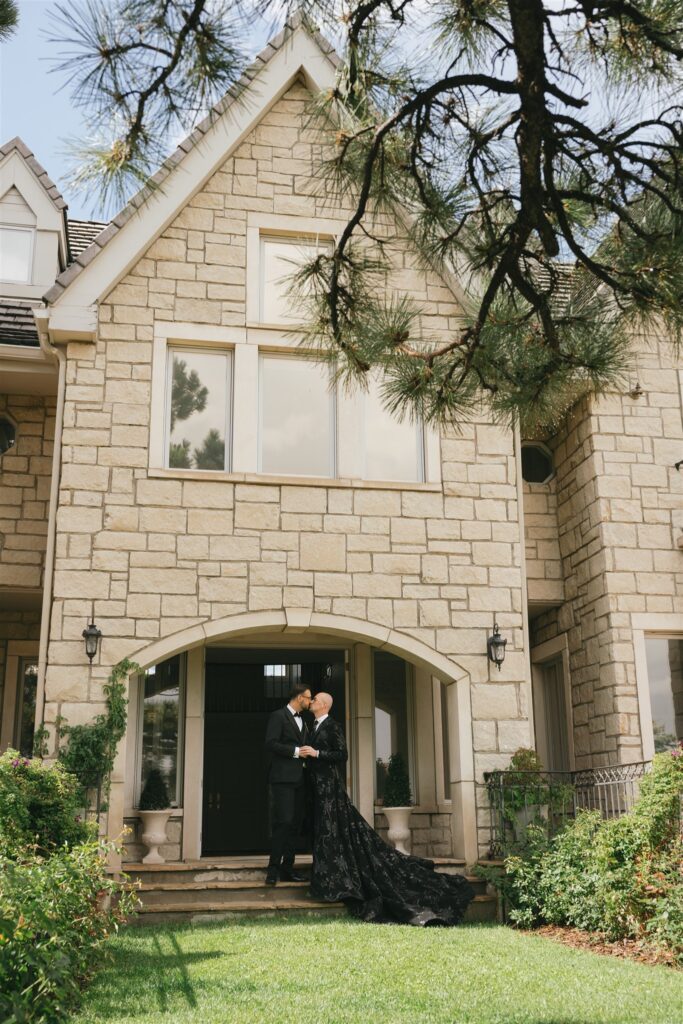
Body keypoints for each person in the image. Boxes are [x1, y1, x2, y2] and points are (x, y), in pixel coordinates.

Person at [299, 692, 474, 926]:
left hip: (330, 789)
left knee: (333, 832)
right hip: (317, 790)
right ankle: (326, 879)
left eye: (314, 700)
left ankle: (336, 883)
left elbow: (343, 754)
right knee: (326, 833)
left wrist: (317, 753)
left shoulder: (333, 726)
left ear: (323, 705)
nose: (311, 702)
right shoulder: (314, 725)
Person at [264, 682, 312, 886]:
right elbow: (271, 743)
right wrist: (295, 752)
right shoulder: (278, 716)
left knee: (294, 824)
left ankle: (288, 869)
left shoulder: (305, 721)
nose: (310, 701)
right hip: (282, 779)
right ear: (300, 697)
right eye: (309, 697)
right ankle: (272, 869)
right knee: (283, 822)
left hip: (301, 780)